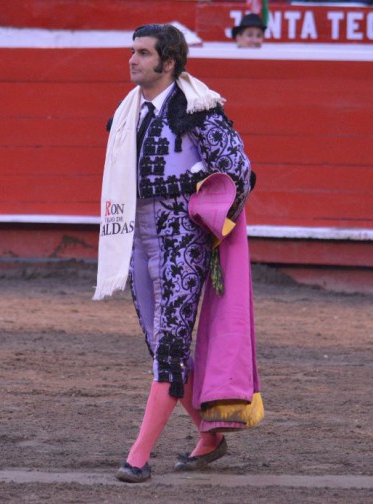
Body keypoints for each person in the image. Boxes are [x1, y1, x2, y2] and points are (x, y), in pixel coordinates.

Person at [93, 24, 254, 483]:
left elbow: (239, 172)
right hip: (138, 236)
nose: (133, 60)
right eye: (132, 51)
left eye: (143, 53)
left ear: (168, 62)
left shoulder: (199, 109)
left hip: (182, 237)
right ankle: (210, 435)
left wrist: (211, 223)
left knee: (169, 347)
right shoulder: (128, 112)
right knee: (161, 345)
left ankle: (138, 458)